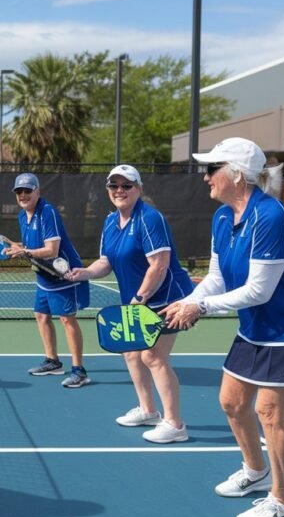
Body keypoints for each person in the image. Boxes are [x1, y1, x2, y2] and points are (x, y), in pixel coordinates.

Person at [164, 137, 284, 517]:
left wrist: (200, 307)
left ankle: (283, 503)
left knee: (269, 413)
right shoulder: (223, 217)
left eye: (212, 169)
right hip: (256, 326)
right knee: (231, 403)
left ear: (237, 175)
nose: (205, 177)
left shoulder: (270, 216)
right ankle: (255, 469)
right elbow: (218, 276)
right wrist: (188, 301)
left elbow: (260, 289)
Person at [65, 165, 194, 442]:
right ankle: (148, 411)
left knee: (153, 356)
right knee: (131, 353)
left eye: (127, 185)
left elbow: (159, 265)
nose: (120, 191)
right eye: (114, 186)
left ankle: (175, 424)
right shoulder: (111, 222)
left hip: (165, 297)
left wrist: (139, 299)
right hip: (137, 300)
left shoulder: (150, 219)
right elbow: (106, 261)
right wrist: (85, 272)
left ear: (139, 189)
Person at [3, 172, 92, 388]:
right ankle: (53, 361)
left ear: (37, 191)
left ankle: (79, 371)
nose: (23, 195)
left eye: (27, 191)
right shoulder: (23, 216)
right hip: (44, 275)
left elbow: (52, 250)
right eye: (19, 192)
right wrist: (16, 247)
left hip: (63, 274)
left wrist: (25, 252)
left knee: (66, 319)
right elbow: (32, 244)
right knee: (41, 315)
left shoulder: (47, 212)